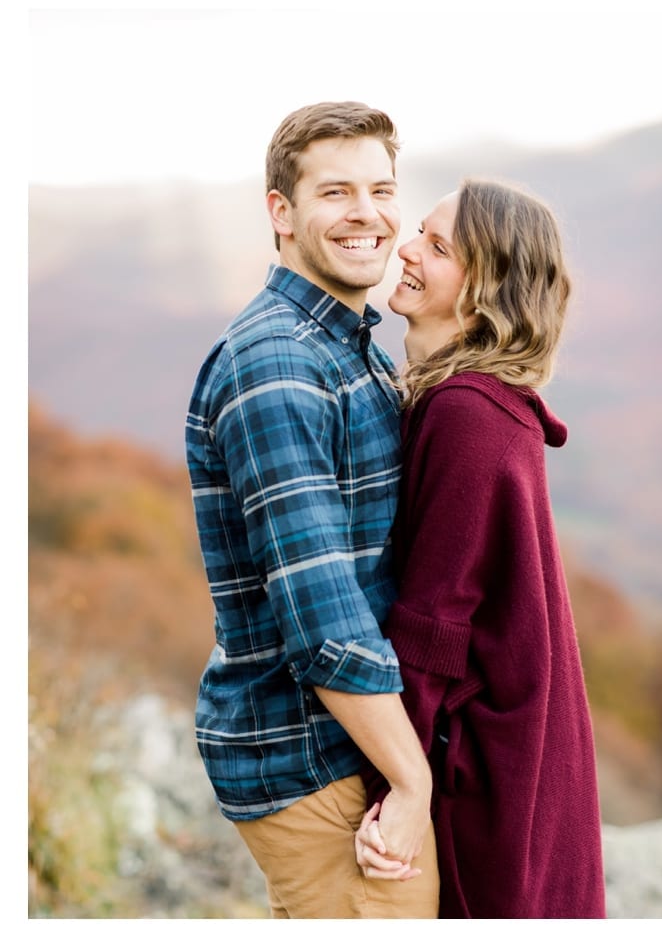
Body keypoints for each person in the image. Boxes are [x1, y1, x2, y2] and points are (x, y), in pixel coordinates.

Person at [185, 101, 437, 918]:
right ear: (281, 213)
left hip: (341, 745)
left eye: (381, 189)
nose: (367, 214)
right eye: (336, 193)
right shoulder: (279, 363)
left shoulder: (348, 344)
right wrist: (411, 777)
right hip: (315, 756)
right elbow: (324, 618)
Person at [352, 179, 607, 917]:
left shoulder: (466, 414)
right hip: (524, 751)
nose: (406, 249)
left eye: (436, 245)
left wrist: (393, 788)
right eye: (420, 234)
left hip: (489, 770)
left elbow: (434, 627)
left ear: (486, 286)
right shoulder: (475, 399)